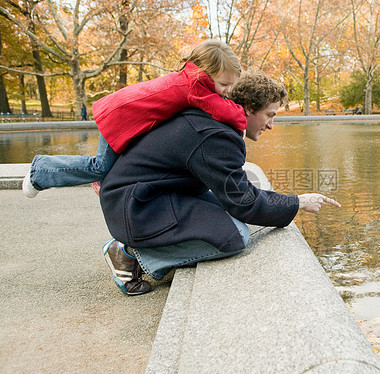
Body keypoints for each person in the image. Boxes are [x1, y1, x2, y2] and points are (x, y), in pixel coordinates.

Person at [100, 71, 340, 296]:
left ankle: (136, 246)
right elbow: (244, 203)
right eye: (269, 115)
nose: (270, 125)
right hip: (136, 205)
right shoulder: (216, 136)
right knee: (233, 237)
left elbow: (237, 193)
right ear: (249, 109)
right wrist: (297, 202)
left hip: (142, 195)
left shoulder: (214, 121)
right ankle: (130, 254)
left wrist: (289, 202)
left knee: (226, 216)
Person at [22, 39, 246, 198]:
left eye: (230, 85)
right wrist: (242, 122)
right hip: (119, 118)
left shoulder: (189, 78)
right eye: (224, 84)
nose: (226, 90)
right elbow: (223, 110)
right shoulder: (195, 86)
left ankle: (100, 181)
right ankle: (40, 172)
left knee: (109, 167)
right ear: (204, 73)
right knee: (100, 166)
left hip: (123, 113)